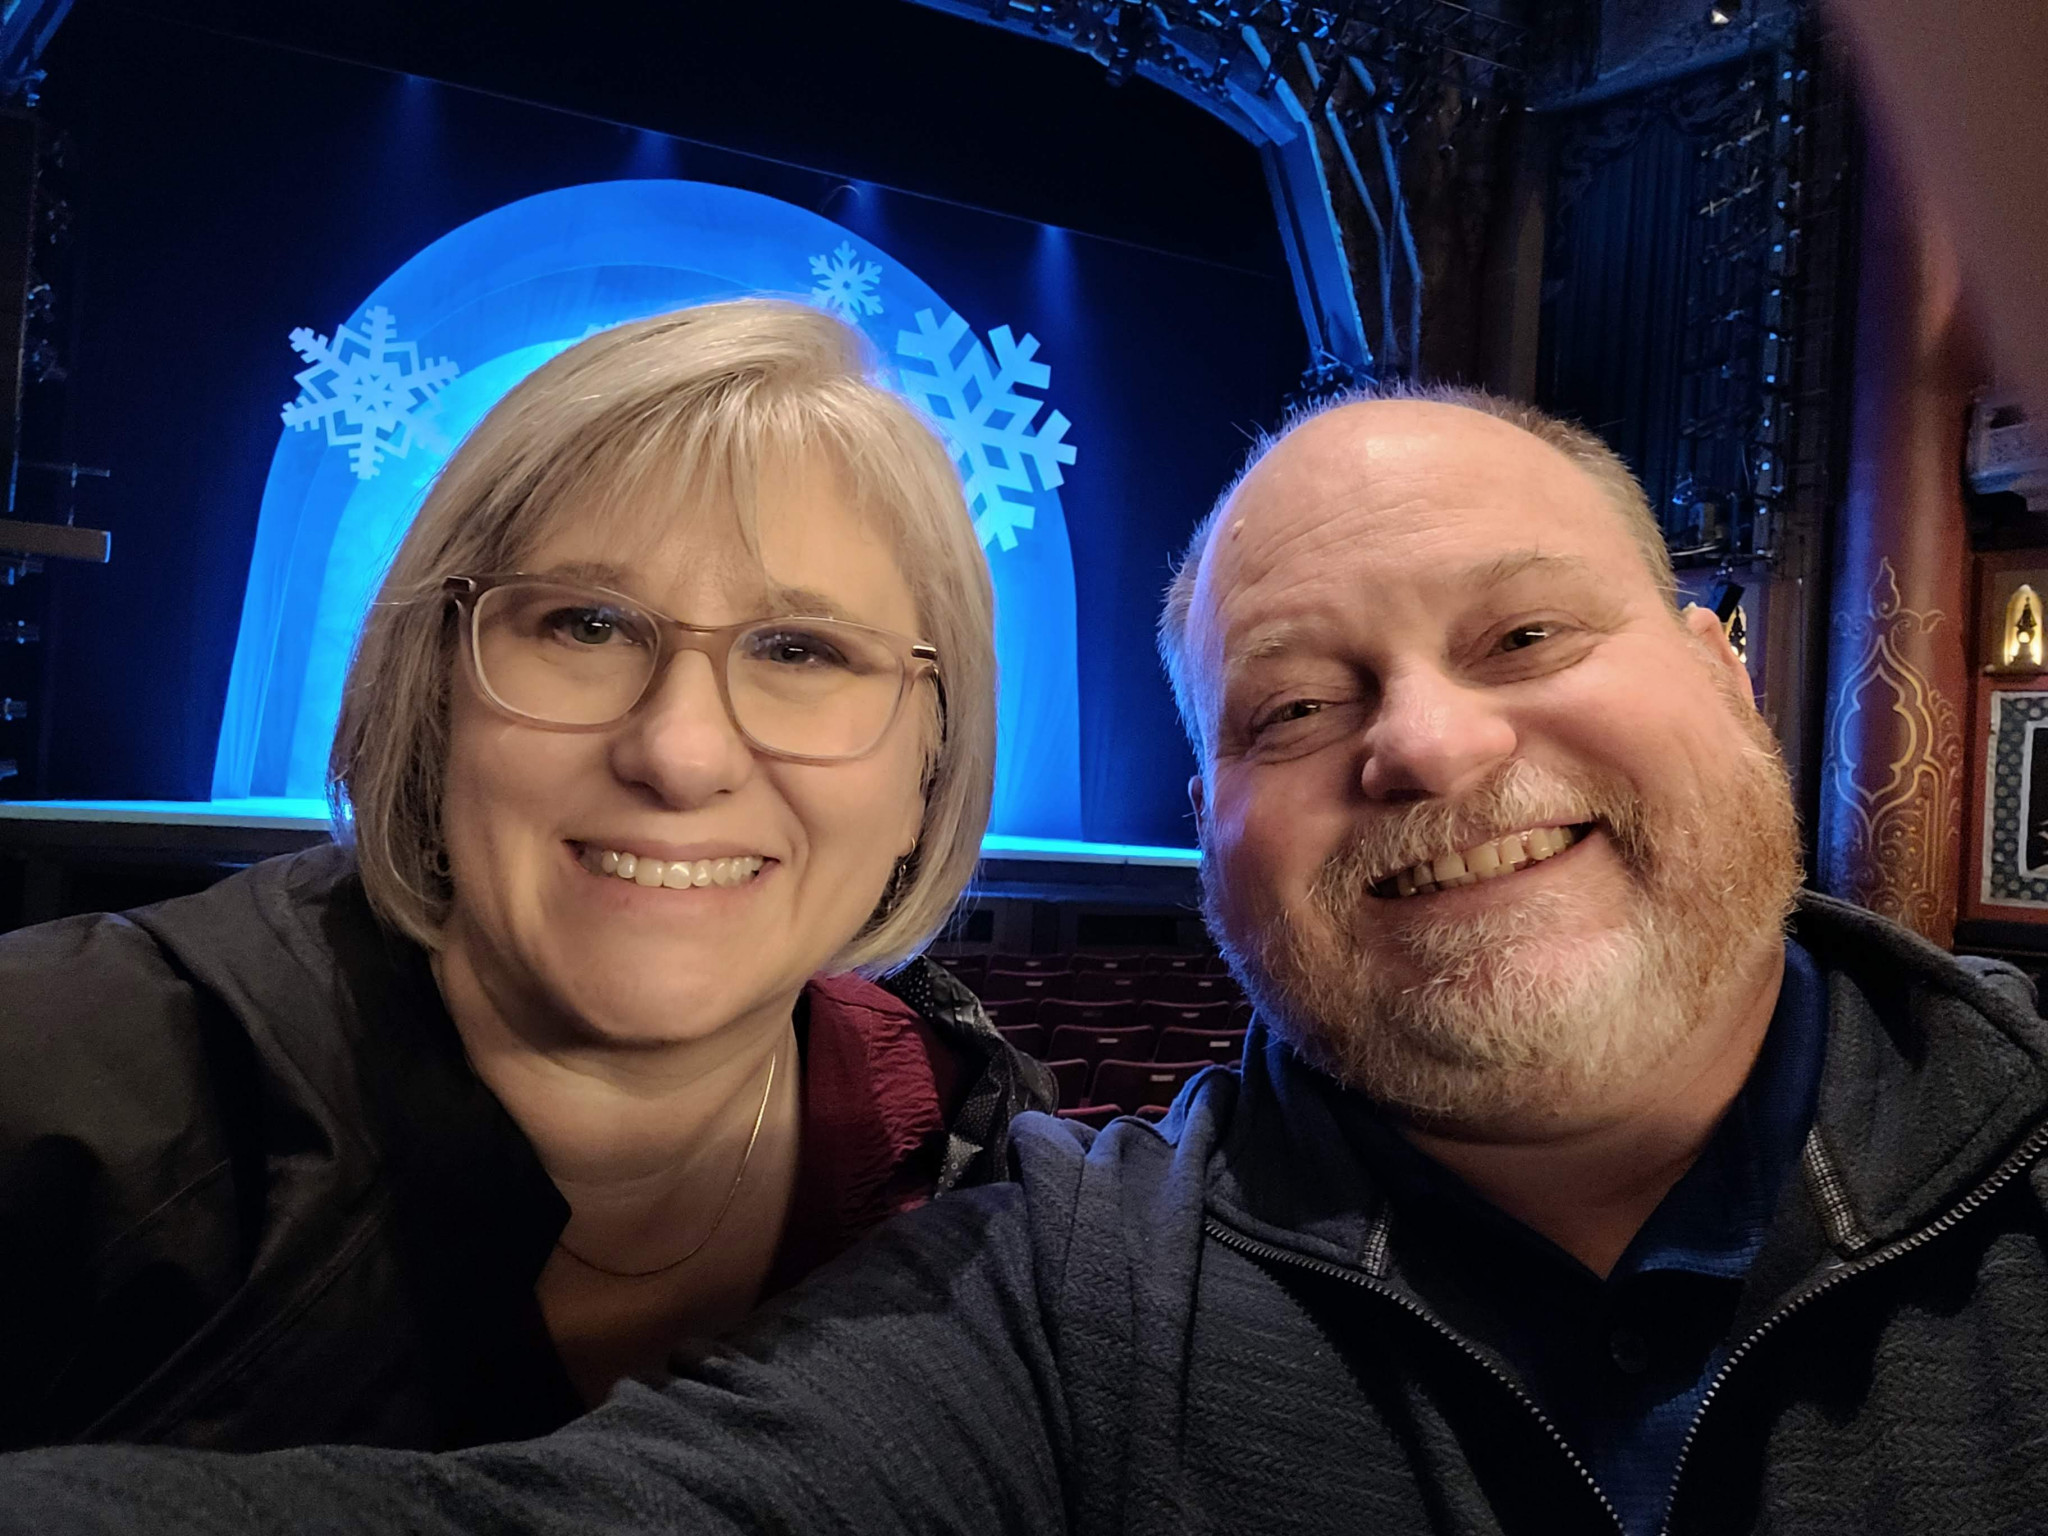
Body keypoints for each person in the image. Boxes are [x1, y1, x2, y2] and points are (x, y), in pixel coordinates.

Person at [9, 388, 2048, 1536]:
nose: (1425, 744)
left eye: (1523, 635)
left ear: (1726, 676)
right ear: (1206, 822)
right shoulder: (1054, 1291)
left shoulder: (942, 1147)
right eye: (1291, 705)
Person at [0, 299, 1051, 1453]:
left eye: (801, 649)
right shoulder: (54, 1093)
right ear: (433, 691)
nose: (678, 753)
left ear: (927, 771)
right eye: (585, 625)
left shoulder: (987, 1164)